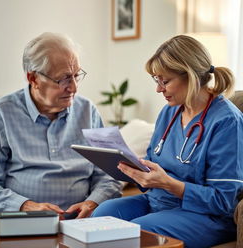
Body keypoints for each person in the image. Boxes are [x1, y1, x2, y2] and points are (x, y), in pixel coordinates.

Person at [92, 35, 243, 247]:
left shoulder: (227, 122)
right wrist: (135, 169)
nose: (158, 89)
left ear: (190, 75)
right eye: (156, 80)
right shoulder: (169, 112)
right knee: (101, 216)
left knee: (137, 232)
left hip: (205, 215)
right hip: (158, 201)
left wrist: (168, 183)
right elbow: (154, 162)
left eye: (165, 81)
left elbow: (224, 201)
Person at [0, 32, 122, 218]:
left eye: (76, 75)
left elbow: (111, 173)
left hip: (81, 220)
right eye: (64, 79)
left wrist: (93, 202)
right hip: (20, 219)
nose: (74, 87)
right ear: (33, 79)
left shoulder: (88, 110)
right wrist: (26, 206)